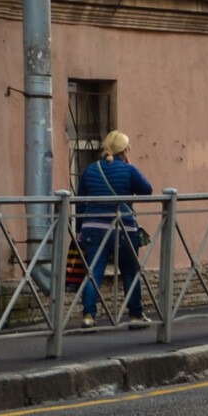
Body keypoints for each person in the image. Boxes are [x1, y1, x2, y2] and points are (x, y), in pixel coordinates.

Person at [75, 131, 153, 327]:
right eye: (128, 148)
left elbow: (80, 202)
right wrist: (128, 168)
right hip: (123, 229)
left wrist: (79, 230)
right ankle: (135, 315)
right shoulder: (129, 170)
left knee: (93, 272)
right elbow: (147, 189)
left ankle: (88, 316)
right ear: (124, 151)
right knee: (130, 271)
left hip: (93, 228)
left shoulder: (90, 170)